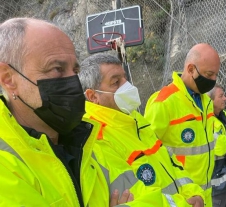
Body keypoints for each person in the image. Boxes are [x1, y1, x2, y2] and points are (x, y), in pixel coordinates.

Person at [0, 17, 170, 207]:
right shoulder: (6, 162)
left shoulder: (87, 141)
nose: (74, 81)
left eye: (75, 70)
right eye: (57, 69)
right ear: (8, 79)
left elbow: (154, 198)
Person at [78, 53, 205, 207]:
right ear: (93, 96)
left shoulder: (136, 119)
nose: (127, 86)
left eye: (125, 78)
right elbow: (132, 193)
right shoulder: (95, 138)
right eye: (116, 82)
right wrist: (183, 204)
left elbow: (170, 162)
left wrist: (193, 192)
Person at [144, 43, 220, 206]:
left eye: (216, 75)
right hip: (184, 198)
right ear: (191, 69)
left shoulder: (205, 102)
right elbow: (148, 153)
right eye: (209, 74)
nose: (213, 80)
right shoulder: (164, 103)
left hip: (205, 195)